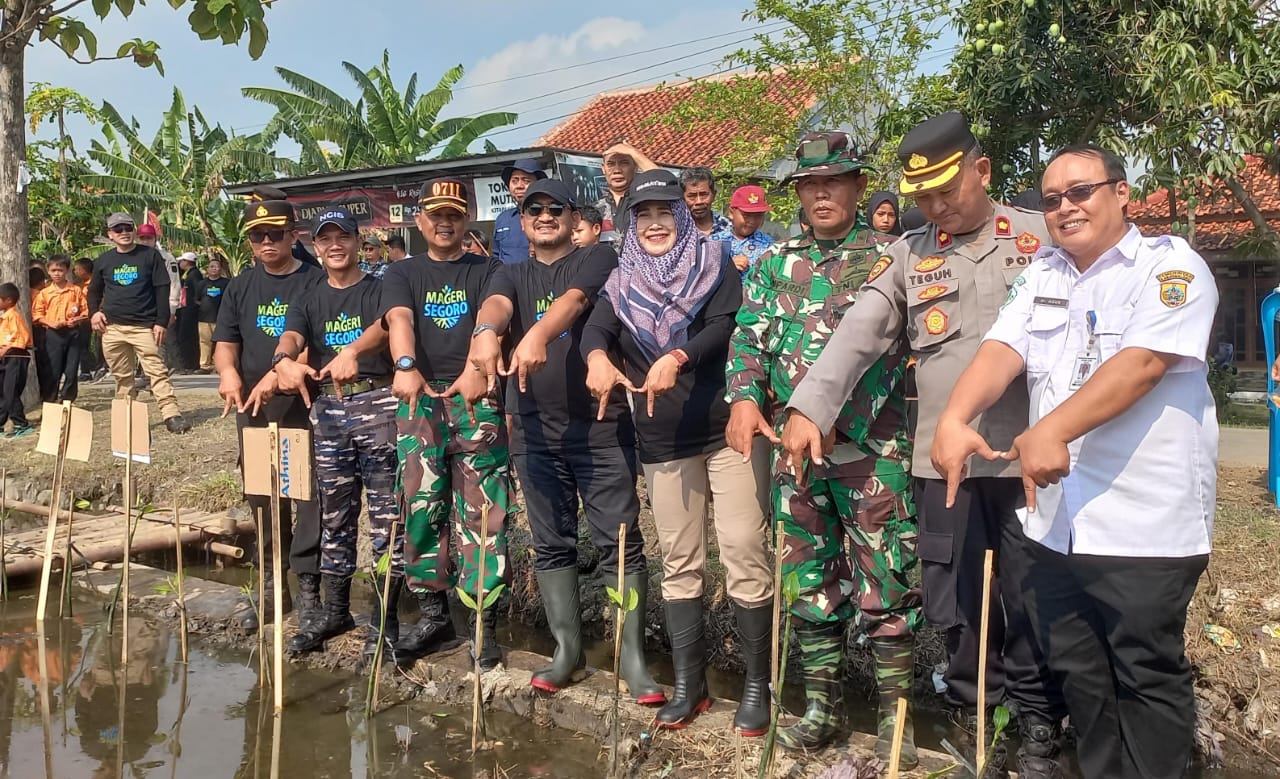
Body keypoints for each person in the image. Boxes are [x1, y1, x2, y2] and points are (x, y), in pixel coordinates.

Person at [779, 113, 1066, 777]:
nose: (936, 208)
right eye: (923, 198)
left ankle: (1037, 721)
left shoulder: (1040, 237)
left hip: (1030, 459)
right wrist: (808, 407)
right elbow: (859, 333)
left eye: (947, 191)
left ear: (982, 170)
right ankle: (974, 713)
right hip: (946, 466)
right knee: (957, 599)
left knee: (1029, 591)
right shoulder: (909, 254)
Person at [933, 145, 1217, 779]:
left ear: (1122, 193)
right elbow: (1000, 349)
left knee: (1145, 675)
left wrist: (1051, 428)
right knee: (1081, 676)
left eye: (1081, 192)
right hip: (1055, 522)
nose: (1064, 208)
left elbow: (1142, 364)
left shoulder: (1170, 266)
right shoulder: (1044, 274)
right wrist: (954, 418)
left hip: (1145, 522)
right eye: (1052, 199)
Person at [727, 132, 921, 761]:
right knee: (809, 582)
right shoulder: (772, 264)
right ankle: (822, 711)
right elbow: (748, 343)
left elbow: (899, 354)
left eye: (834, 181)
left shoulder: (892, 260)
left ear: (859, 187)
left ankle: (897, 726)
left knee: (886, 584)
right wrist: (745, 398)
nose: (820, 193)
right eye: (810, 185)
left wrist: (836, 415)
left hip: (873, 453)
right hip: (794, 455)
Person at [582, 170, 772, 732]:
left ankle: (757, 687)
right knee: (680, 562)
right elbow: (597, 331)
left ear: (683, 216)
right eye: (643, 215)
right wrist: (596, 358)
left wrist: (678, 357)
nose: (656, 224)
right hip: (663, 440)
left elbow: (723, 327)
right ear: (631, 224)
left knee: (743, 549)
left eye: (666, 212)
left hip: (726, 431)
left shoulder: (714, 265)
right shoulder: (621, 282)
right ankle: (691, 686)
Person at [465, 178, 664, 704]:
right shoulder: (509, 272)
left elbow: (574, 304)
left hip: (600, 428)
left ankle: (632, 658)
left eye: (556, 208)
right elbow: (498, 308)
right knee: (552, 543)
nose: (545, 216)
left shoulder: (598, 260)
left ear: (574, 217)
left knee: (618, 543)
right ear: (523, 220)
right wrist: (487, 333)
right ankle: (567, 652)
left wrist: (538, 336)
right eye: (535, 209)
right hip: (533, 429)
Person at [251, 206, 404, 662]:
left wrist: (353, 351)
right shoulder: (309, 294)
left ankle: (385, 617)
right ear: (315, 246)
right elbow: (291, 335)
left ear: (359, 242)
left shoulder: (380, 289)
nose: (335, 245)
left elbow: (387, 326)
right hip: (329, 412)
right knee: (335, 514)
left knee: (385, 516)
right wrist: (283, 360)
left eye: (343, 237)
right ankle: (335, 611)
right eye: (325, 239)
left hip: (377, 404)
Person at [378, 177, 512, 670]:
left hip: (475, 402)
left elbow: (497, 307)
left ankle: (482, 623)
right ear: (420, 221)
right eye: (436, 214)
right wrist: (406, 364)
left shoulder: (489, 268)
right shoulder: (402, 272)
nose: (445, 223)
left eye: (454, 214)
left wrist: (481, 349)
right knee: (420, 507)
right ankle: (434, 617)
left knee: (482, 513)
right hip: (420, 399)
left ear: (466, 220)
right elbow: (399, 320)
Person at [214, 199, 324, 633]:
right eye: (257, 236)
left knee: (310, 497)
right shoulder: (240, 286)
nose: (265, 242)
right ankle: (272, 585)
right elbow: (227, 341)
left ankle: (312, 589)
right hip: (254, 409)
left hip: (307, 405)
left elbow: (315, 344)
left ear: (293, 235)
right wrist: (227, 375)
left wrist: (280, 376)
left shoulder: (315, 282)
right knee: (263, 497)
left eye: (274, 234)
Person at [87, 213, 192, 434]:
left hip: (144, 326)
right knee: (122, 377)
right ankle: (127, 418)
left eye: (128, 228)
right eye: (118, 230)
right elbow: (94, 291)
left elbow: (162, 289)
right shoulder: (104, 261)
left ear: (133, 230)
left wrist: (161, 322)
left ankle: (171, 414)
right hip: (113, 328)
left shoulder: (150, 256)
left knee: (157, 371)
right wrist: (94, 314)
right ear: (110, 235)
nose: (124, 233)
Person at [31, 255, 89, 402]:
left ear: (67, 271)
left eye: (60, 270)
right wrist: (50, 322)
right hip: (53, 334)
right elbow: (37, 314)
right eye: (53, 270)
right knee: (53, 370)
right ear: (48, 271)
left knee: (71, 369)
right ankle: (50, 401)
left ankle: (67, 401)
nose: (57, 273)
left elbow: (86, 311)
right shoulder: (44, 293)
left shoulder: (75, 290)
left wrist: (77, 320)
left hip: (73, 333)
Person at [135, 222, 183, 369]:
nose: (145, 241)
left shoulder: (166, 258)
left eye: (148, 238)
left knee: (157, 341)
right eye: (142, 238)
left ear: (155, 239)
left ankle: (156, 375)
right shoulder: (132, 258)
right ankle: (145, 373)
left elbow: (174, 284)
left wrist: (172, 310)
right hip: (138, 306)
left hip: (160, 306)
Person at [595, 142, 658, 243]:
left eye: (624, 163)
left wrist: (632, 152)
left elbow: (663, 180)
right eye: (611, 164)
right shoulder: (595, 209)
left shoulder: (643, 202)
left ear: (635, 167)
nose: (617, 170)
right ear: (603, 169)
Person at [712, 184, 774, 278]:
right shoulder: (714, 242)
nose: (752, 221)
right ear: (731, 213)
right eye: (746, 215)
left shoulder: (769, 245)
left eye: (758, 215)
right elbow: (702, 278)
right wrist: (728, 266)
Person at [492, 158, 546, 264]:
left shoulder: (550, 216)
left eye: (526, 181)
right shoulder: (503, 219)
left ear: (538, 184)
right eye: (514, 181)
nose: (519, 186)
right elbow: (496, 255)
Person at [0, 283, 33, 439]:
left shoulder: (14, 316)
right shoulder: (3, 316)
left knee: (10, 390)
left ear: (8, 300)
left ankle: (21, 423)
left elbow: (21, 337)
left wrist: (6, 349)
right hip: (4, 358)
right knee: (2, 391)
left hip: (16, 357)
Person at [195, 257, 228, 373]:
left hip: (221, 319)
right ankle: (205, 366)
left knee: (221, 343)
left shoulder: (226, 283)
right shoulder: (201, 284)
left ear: (221, 269)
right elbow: (197, 300)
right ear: (207, 269)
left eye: (217, 266)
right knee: (204, 342)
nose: (214, 269)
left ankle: (220, 365)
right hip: (204, 319)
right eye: (212, 266)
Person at [680, 167, 731, 237]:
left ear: (714, 195)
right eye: (692, 196)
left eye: (704, 195)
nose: (699, 201)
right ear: (682, 198)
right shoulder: (678, 231)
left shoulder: (729, 227)